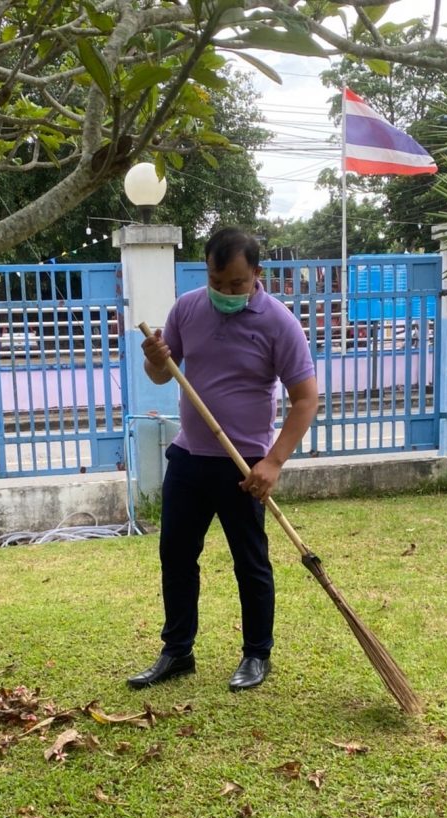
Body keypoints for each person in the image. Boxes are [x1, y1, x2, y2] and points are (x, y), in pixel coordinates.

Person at [127, 228, 318, 692]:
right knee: (176, 556)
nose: (226, 291)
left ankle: (256, 654)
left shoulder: (279, 323)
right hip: (189, 457)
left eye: (236, 283)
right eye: (217, 281)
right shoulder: (187, 309)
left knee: (250, 562)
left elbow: (305, 399)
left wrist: (273, 462)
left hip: (244, 465)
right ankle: (177, 651)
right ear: (206, 271)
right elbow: (160, 375)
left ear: (257, 273)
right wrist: (155, 358)